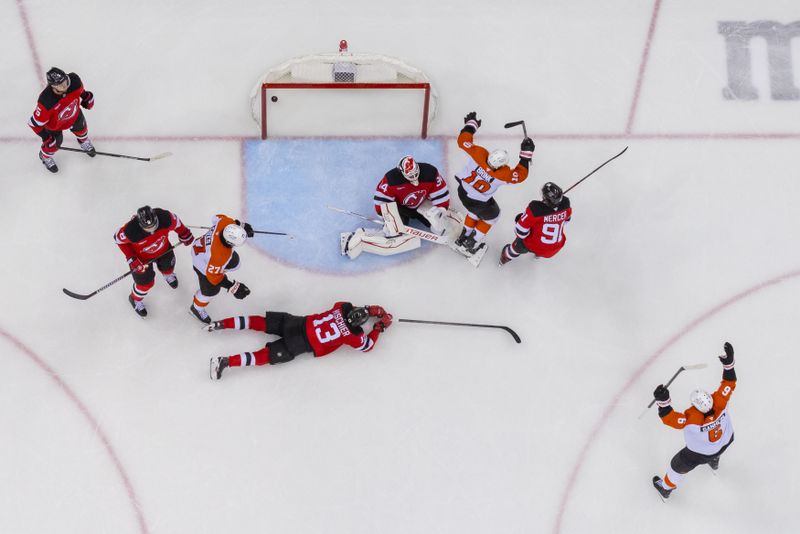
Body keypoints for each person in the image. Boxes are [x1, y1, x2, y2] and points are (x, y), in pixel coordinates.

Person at [207, 302, 393, 380]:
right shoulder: (354, 336)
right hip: (300, 345)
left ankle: (221, 323)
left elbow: (347, 306)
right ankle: (225, 361)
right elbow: (367, 346)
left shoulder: (342, 308)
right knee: (263, 356)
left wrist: (369, 309)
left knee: (260, 323)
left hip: (295, 323)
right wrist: (379, 328)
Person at [652, 342, 737, 499]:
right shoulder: (720, 401)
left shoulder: (693, 418)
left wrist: (663, 401)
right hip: (725, 441)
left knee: (676, 466)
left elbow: (670, 419)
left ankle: (665, 488)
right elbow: (729, 383)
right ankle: (714, 461)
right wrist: (728, 363)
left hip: (700, 453)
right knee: (717, 446)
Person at [341, 156, 461, 260]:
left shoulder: (430, 172)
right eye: (410, 175)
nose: (414, 178)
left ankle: (457, 238)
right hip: (400, 208)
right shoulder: (391, 180)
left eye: (416, 174)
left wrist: (441, 209)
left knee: (442, 224)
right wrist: (389, 219)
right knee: (395, 239)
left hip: (422, 203)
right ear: (401, 172)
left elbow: (441, 192)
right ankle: (359, 237)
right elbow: (381, 201)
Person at [453, 111, 534, 256]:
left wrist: (471, 124)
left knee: (474, 211)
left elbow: (463, 141)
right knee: (493, 216)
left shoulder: (479, 154)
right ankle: (471, 242)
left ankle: (463, 236)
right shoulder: (503, 174)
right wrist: (526, 155)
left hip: (463, 191)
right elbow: (521, 175)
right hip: (479, 201)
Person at [114, 206, 194, 317]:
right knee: (145, 284)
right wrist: (131, 258)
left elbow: (177, 223)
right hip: (142, 260)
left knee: (168, 267)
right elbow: (118, 239)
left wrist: (184, 233)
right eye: (148, 228)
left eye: (154, 225)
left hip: (164, 250)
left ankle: (168, 275)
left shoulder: (165, 217)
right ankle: (135, 299)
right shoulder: (130, 231)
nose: (152, 230)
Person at [28, 67, 96, 173]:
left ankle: (83, 141)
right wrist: (46, 138)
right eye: (59, 85)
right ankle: (45, 156)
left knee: (82, 130)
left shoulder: (74, 80)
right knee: (53, 145)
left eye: (64, 81)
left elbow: (80, 91)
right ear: (52, 86)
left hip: (74, 114)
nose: (64, 86)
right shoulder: (46, 101)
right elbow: (33, 124)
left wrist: (86, 96)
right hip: (54, 126)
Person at [189, 214, 254, 324]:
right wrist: (232, 286)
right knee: (211, 291)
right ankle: (196, 308)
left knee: (234, 262)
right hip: (201, 264)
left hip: (202, 249)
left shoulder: (226, 222)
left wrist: (239, 225)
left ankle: (218, 269)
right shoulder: (220, 256)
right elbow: (213, 277)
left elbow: (215, 217)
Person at [499, 182, 572, 265]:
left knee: (517, 247)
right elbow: (566, 221)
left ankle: (504, 258)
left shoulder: (536, 209)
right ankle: (538, 255)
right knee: (541, 245)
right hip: (555, 248)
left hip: (534, 245)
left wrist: (520, 219)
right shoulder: (566, 204)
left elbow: (520, 232)